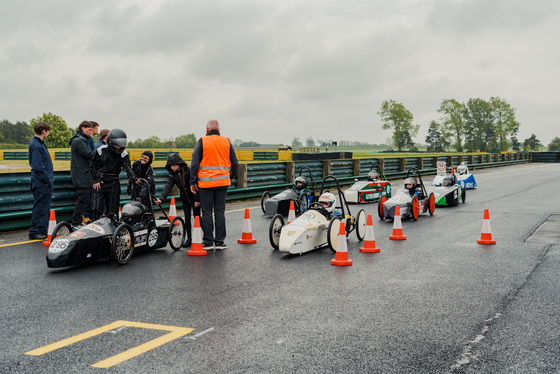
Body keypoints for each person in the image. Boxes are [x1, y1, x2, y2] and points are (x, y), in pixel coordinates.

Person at [190, 120, 238, 251]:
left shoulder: (202, 141)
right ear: (219, 129)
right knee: (220, 211)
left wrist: (192, 182)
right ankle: (220, 242)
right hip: (223, 182)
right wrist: (231, 176)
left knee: (206, 211)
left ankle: (208, 242)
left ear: (207, 129)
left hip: (205, 183)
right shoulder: (226, 141)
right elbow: (235, 163)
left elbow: (194, 163)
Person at [90, 129, 137, 220]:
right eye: (117, 143)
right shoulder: (101, 150)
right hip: (101, 181)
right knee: (96, 208)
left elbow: (127, 167)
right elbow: (92, 165)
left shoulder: (123, 154)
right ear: (111, 142)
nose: (119, 146)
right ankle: (95, 226)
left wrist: (133, 178)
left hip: (114, 182)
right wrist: (96, 179)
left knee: (112, 209)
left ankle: (113, 229)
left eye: (122, 143)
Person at [155, 153, 200, 247]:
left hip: (194, 197)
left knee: (198, 218)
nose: (172, 167)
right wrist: (161, 199)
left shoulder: (189, 171)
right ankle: (189, 239)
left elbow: (197, 185)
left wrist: (197, 199)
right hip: (185, 199)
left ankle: (205, 238)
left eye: (174, 165)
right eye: (171, 166)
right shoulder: (173, 175)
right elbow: (168, 187)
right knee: (187, 218)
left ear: (179, 164)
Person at [28, 121, 53, 240]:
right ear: (44, 131)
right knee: (40, 206)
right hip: (41, 182)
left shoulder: (39, 144)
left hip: (42, 181)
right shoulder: (36, 145)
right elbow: (38, 166)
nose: (48, 134)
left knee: (43, 207)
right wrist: (47, 180)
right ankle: (35, 231)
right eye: (48, 132)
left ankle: (42, 229)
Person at [69, 121, 94, 228]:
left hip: (82, 173)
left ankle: (78, 221)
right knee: (82, 198)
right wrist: (100, 154)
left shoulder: (81, 140)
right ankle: (76, 222)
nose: (90, 132)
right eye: (89, 130)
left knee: (84, 198)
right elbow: (88, 154)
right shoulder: (79, 140)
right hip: (81, 174)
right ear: (82, 128)